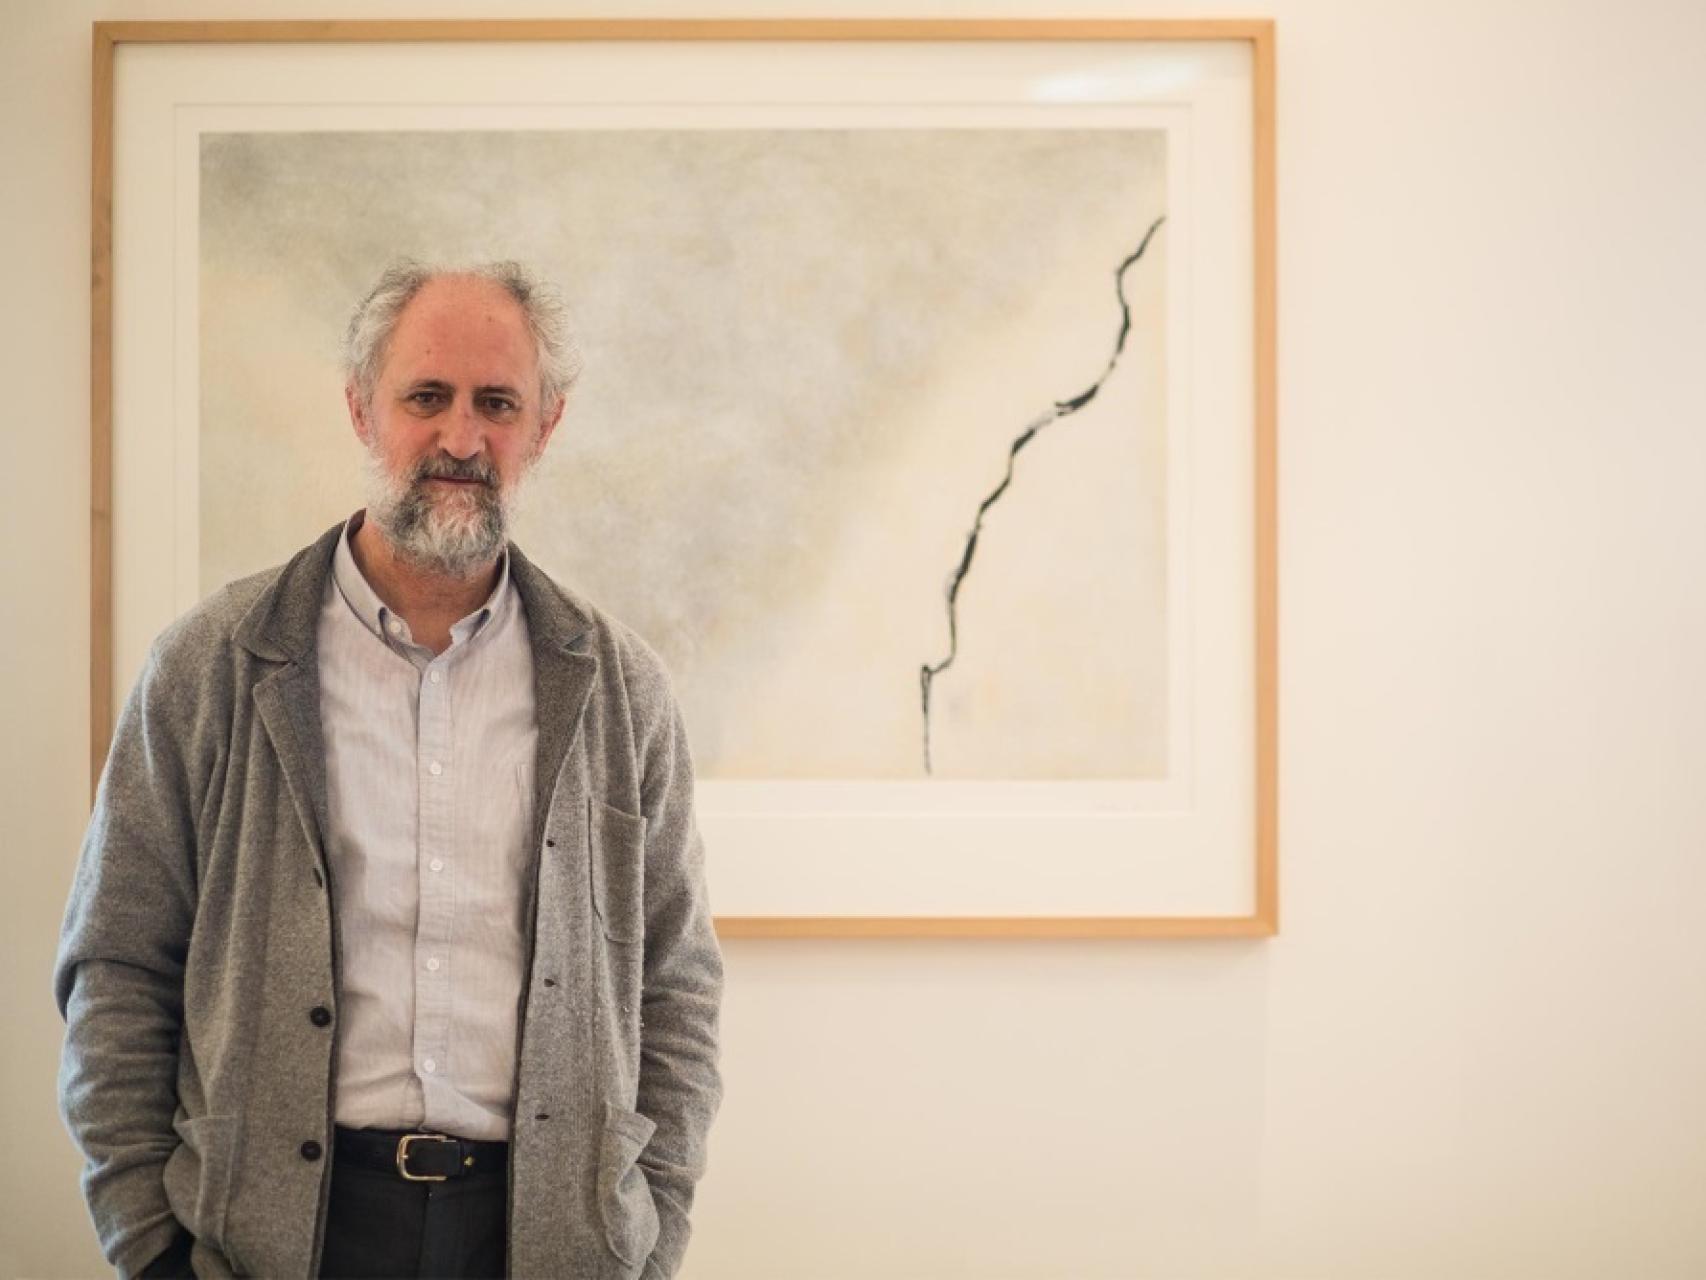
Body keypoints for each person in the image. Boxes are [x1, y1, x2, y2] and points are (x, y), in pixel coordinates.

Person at [54, 260, 725, 1279]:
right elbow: (116, 966)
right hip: (283, 1236)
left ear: (544, 424)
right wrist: (151, 1248)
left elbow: (674, 986)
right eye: (427, 397)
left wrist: (646, 1231)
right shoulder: (212, 664)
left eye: (496, 402)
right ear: (361, 406)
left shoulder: (619, 687)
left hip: (540, 1238)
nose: (461, 438)